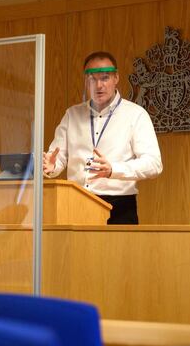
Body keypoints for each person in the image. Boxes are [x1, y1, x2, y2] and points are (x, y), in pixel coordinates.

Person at [42, 51, 162, 224]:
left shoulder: (135, 114)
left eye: (105, 78)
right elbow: (57, 159)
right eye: (92, 79)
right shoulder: (72, 114)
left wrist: (113, 170)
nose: (99, 85)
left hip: (118, 208)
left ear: (116, 78)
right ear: (86, 82)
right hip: (75, 204)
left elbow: (154, 164)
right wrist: (52, 167)